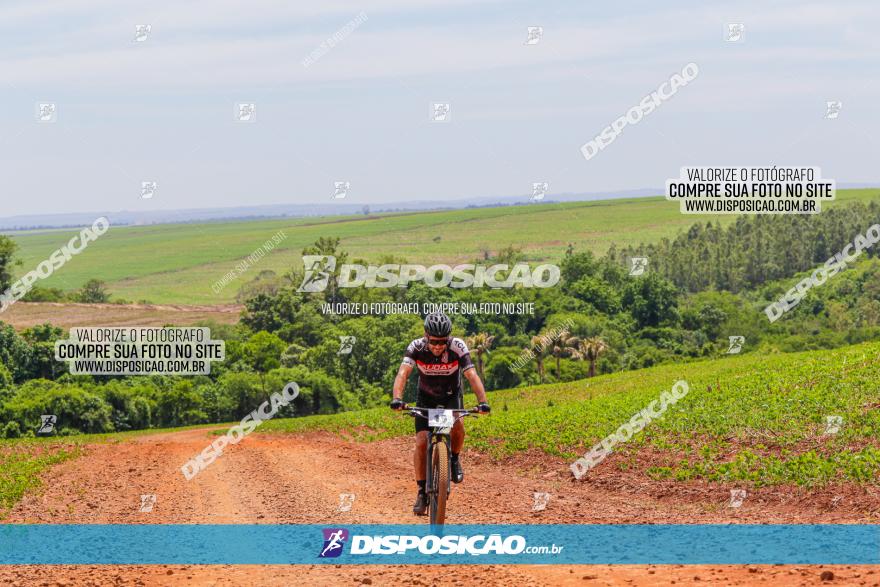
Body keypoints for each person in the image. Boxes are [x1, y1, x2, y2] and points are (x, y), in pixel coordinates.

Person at [390, 311, 490, 515]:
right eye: (433, 341)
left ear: (449, 338)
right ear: (426, 335)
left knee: (458, 426)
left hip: (450, 395)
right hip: (426, 397)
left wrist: (483, 402)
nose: (437, 346)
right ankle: (421, 492)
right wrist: (397, 398)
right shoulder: (416, 347)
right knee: (421, 441)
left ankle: (453, 459)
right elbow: (403, 373)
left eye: (442, 342)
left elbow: (471, 374)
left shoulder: (458, 347)